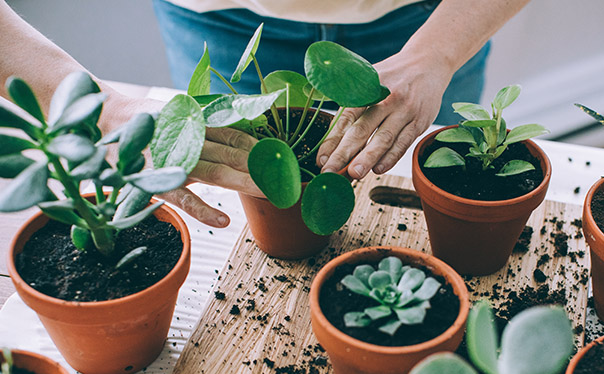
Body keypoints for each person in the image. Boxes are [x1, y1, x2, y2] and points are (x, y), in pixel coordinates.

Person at [1, 0, 530, 227]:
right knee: (241, 169)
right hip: (219, 22)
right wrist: (105, 110)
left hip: (433, 21)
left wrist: (437, 53)